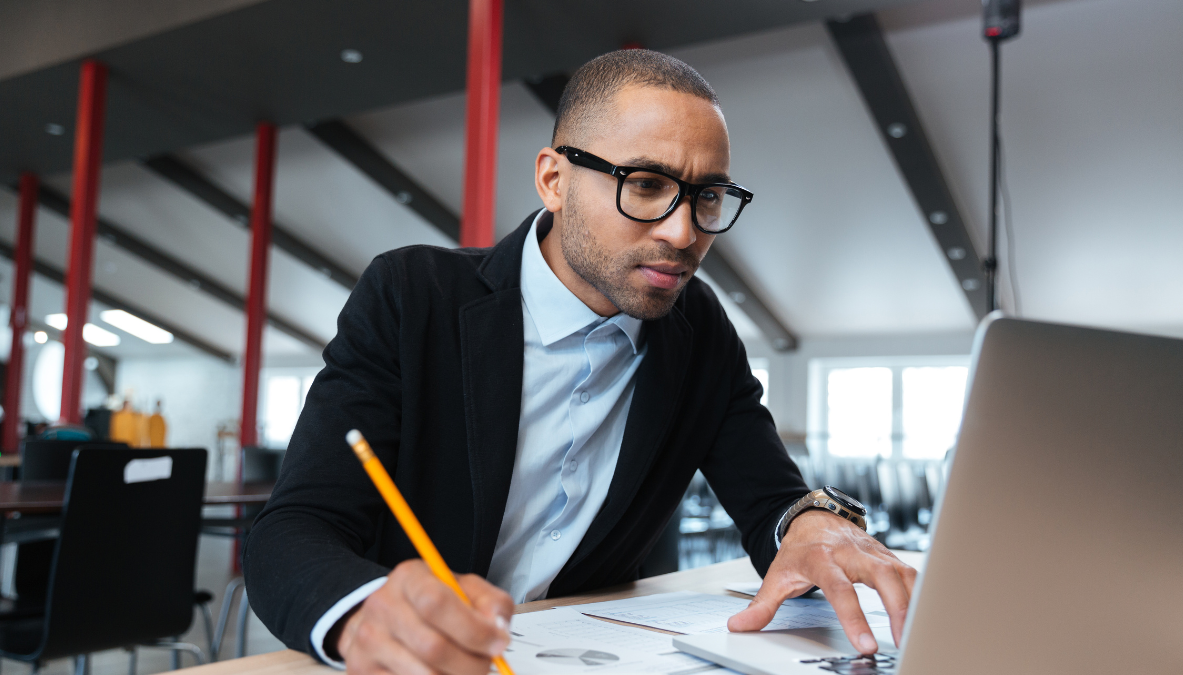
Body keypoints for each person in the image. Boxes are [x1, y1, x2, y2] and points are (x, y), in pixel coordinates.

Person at [244, 49, 916, 675]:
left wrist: (811, 523)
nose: (682, 233)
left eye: (707, 196)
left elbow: (771, 498)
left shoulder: (698, 329)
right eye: (646, 183)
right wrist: (364, 613)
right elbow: (291, 532)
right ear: (554, 180)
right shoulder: (411, 297)